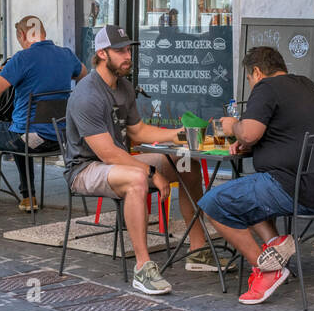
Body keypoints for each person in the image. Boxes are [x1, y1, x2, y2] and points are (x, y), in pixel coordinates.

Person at [63, 24, 210, 296]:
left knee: (185, 161)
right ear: (102, 53)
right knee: (137, 178)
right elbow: (107, 153)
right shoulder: (87, 94)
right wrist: (151, 170)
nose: (127, 55)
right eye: (120, 50)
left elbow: (138, 131)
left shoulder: (124, 87)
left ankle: (199, 250)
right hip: (86, 168)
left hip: (115, 161)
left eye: (128, 49)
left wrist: (178, 135)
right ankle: (143, 268)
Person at [198, 46, 314, 305]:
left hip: (289, 187)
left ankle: (268, 270)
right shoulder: (305, 85)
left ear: (257, 72)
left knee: (213, 204)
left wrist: (233, 127)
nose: (251, 85)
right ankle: (275, 243)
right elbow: (287, 131)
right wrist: (251, 142)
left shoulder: (266, 88)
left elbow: (248, 132)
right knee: (244, 192)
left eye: (250, 79)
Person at [0, 16, 86, 217]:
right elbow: (84, 77)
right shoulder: (66, 55)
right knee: (18, 127)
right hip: (59, 138)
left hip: (29, 139)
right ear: (43, 32)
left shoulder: (21, 58)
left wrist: (0, 70)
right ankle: (28, 197)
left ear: (21, 35)